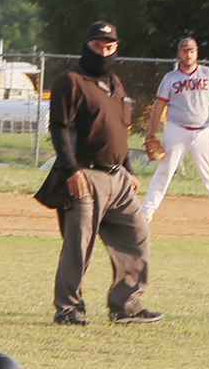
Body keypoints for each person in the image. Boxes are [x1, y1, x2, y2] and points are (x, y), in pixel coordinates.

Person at [39, 21, 161, 325]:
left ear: (116, 48)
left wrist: (129, 169)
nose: (103, 51)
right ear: (86, 45)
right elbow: (59, 128)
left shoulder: (115, 83)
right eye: (97, 46)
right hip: (85, 175)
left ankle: (126, 305)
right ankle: (68, 309)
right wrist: (71, 171)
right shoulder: (71, 81)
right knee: (78, 246)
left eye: (109, 46)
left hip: (118, 178)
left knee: (136, 233)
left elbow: (120, 129)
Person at [140, 36, 209, 225]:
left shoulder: (208, 74)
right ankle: (146, 210)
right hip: (177, 129)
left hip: (203, 131)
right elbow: (159, 106)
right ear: (179, 54)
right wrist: (151, 133)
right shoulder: (170, 78)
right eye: (184, 51)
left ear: (196, 53)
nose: (188, 54)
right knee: (165, 171)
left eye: (191, 51)